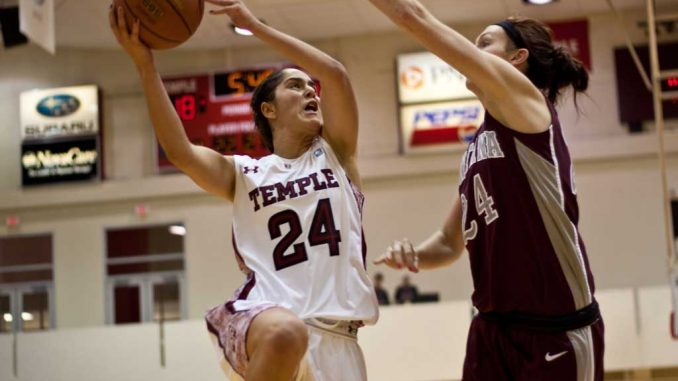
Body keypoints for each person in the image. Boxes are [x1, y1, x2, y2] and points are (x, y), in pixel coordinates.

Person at [109, 0, 379, 380]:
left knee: (295, 333)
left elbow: (334, 74)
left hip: (340, 344)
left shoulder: (337, 154)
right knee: (287, 331)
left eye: (310, 87)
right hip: (266, 325)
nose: (311, 92)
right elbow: (180, 152)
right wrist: (145, 64)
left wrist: (256, 25)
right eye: (295, 86)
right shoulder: (245, 173)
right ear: (269, 110)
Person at [369, 1, 604, 380]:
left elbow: (413, 15)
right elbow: (448, 243)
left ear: (517, 58)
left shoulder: (527, 105)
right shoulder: (477, 147)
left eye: (484, 42)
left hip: (555, 327)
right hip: (491, 331)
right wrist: (413, 255)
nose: (472, 51)